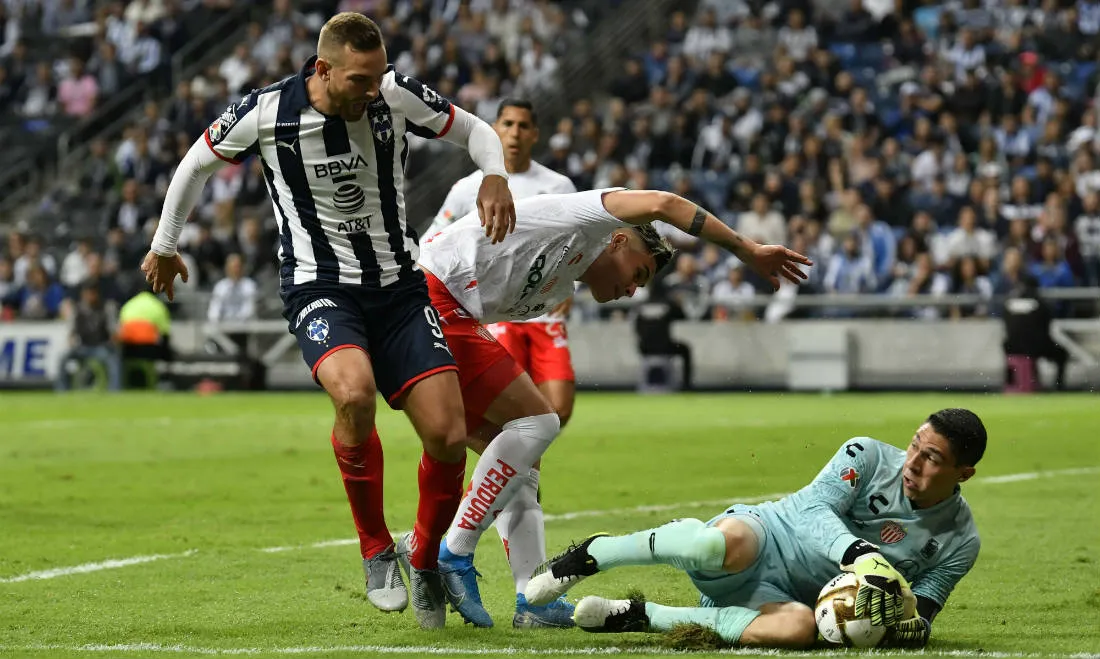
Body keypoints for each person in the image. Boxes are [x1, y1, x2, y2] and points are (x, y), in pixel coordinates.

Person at [141, 13, 516, 629]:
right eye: (360, 80)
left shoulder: (393, 94)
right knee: (353, 392)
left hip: (399, 289)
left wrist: (495, 175)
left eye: (378, 77)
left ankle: (423, 558)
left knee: (449, 436)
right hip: (320, 289)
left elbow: (476, 131)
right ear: (323, 69)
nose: (374, 91)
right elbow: (194, 164)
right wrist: (165, 242)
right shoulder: (266, 112)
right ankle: (375, 548)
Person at [417, 187, 811, 628]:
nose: (630, 290)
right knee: (539, 420)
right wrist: (747, 249)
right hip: (431, 296)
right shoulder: (588, 220)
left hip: (446, 311)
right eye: (637, 274)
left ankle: (533, 600)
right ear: (620, 240)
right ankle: (452, 551)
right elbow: (666, 205)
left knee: (523, 466)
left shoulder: (557, 291)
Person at [526, 409, 987, 650]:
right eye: (914, 446)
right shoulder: (863, 454)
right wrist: (860, 555)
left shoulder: (961, 542)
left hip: (786, 602)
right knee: (714, 545)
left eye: (933, 459)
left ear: (962, 474)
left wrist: (902, 626)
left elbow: (922, 614)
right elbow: (811, 510)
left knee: (798, 632)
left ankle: (642, 616)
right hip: (768, 535)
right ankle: (596, 552)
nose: (914, 463)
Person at [424, 98, 580, 629]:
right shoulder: (470, 189)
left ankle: (528, 598)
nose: (513, 133)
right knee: (533, 433)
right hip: (481, 319)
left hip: (538, 314)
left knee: (541, 432)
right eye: (505, 125)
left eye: (522, 125)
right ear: (495, 131)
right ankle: (441, 549)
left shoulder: (556, 186)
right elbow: (432, 243)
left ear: (535, 134)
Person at [1001, 274, 1068, 390]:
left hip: (1011, 346)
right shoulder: (1040, 303)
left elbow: (1007, 325)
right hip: (1034, 346)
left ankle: (1010, 383)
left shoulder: (1009, 302)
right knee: (1062, 354)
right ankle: (1058, 386)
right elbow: (1046, 327)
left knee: (1015, 349)